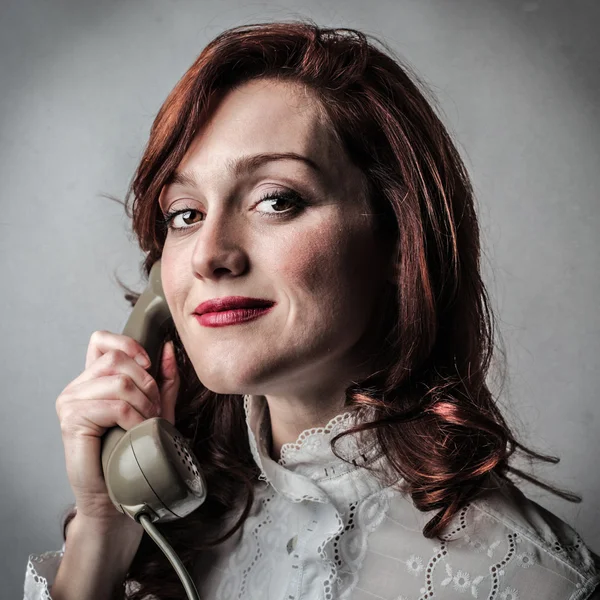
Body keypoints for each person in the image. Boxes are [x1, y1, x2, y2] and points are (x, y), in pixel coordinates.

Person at [23, 19, 599, 600]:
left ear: (399, 238)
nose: (209, 255)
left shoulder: (537, 579)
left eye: (277, 200)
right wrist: (100, 536)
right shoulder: (161, 532)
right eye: (185, 214)